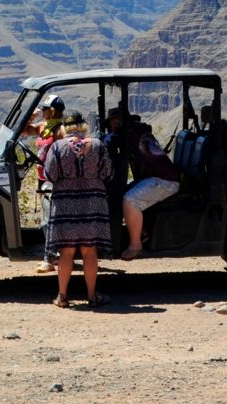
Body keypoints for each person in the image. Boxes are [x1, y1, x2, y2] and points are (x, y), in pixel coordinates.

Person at [41, 112, 109, 308]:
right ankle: (91, 295)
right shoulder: (97, 146)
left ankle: (62, 296)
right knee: (89, 252)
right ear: (84, 127)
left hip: (65, 204)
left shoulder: (57, 147)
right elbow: (108, 172)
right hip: (92, 203)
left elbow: (50, 175)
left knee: (66, 252)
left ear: (65, 128)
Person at [105, 108, 182, 260]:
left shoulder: (131, 132)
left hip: (164, 180)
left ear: (118, 121)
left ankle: (135, 245)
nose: (111, 126)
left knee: (130, 200)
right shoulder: (136, 131)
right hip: (152, 178)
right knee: (119, 195)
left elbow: (109, 141)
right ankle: (142, 233)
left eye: (112, 122)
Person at [22, 95, 66, 274]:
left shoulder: (60, 129)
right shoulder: (43, 126)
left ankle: (50, 258)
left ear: (53, 110)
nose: (44, 111)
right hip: (43, 177)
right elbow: (24, 130)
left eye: (46, 108)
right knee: (48, 218)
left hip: (55, 179)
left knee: (48, 220)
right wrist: (31, 116)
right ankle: (56, 255)